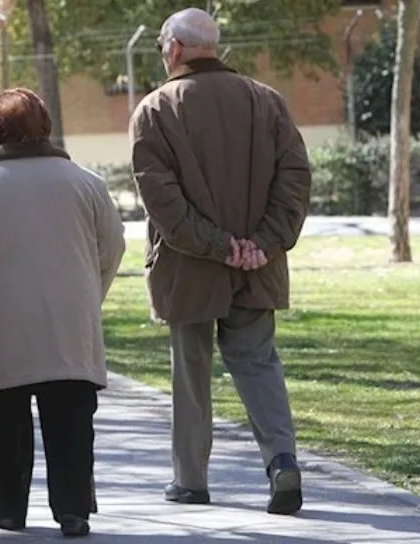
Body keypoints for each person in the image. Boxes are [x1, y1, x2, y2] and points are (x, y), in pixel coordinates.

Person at [129, 8, 312, 515]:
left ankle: (191, 480)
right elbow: (295, 179)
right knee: (258, 363)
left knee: (191, 371)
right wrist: (262, 243)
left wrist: (218, 245)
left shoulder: (155, 109)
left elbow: (162, 201)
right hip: (258, 264)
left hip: (190, 267)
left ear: (174, 48)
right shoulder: (266, 101)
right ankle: (281, 461)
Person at [0, 88, 125, 538]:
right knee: (72, 421)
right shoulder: (86, 182)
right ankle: (73, 509)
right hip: (69, 321)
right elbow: (113, 246)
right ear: (45, 126)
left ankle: (7, 507)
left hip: (1, 320)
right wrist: (88, 294)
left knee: (2, 421)